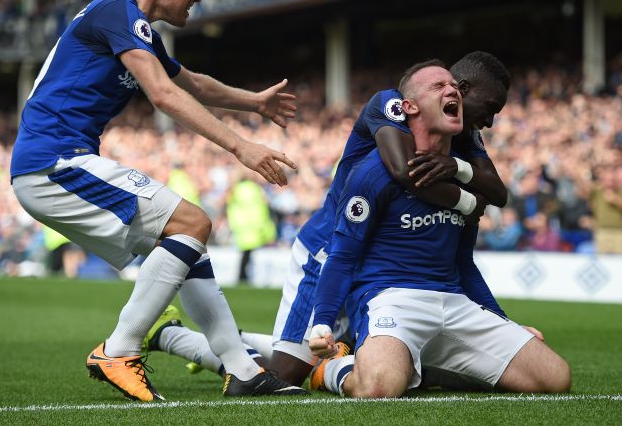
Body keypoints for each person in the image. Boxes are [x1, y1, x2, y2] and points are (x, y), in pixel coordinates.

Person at [9, 0, 306, 401]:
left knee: (187, 241)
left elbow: (193, 83)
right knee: (194, 221)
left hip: (55, 164)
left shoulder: (136, 31)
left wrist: (254, 102)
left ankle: (242, 369)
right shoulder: (116, 12)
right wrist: (240, 147)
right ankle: (120, 347)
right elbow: (164, 96)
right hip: (53, 161)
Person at [140, 51, 513, 386]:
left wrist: (457, 166)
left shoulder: (464, 135)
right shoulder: (392, 104)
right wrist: (468, 202)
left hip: (378, 268)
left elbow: (497, 192)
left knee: (333, 351)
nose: (491, 120)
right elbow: (405, 172)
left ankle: (256, 344)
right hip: (330, 248)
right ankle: (173, 336)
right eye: (491, 105)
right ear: (461, 88)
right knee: (285, 375)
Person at [308, 61, 571, 397]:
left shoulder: (465, 177)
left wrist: (503, 322)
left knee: (554, 378)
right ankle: (333, 370)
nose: (451, 91)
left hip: (454, 302)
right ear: (409, 108)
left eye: (453, 86)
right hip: (391, 298)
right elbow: (343, 256)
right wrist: (323, 323)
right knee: (378, 388)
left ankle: (425, 366)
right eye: (438, 86)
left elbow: (464, 265)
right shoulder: (375, 171)